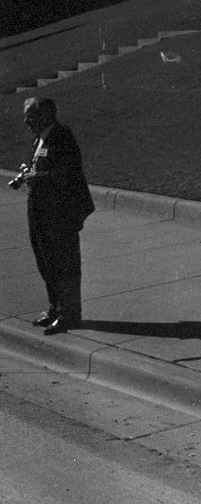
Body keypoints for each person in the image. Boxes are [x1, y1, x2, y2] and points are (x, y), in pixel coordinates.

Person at [15, 97, 94, 334]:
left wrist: (39, 178)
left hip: (59, 212)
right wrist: (28, 174)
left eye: (30, 115)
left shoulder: (62, 137)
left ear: (45, 115)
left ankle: (69, 314)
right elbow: (43, 167)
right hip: (39, 209)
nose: (26, 121)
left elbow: (68, 175)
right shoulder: (40, 138)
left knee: (64, 263)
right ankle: (55, 308)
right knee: (45, 261)